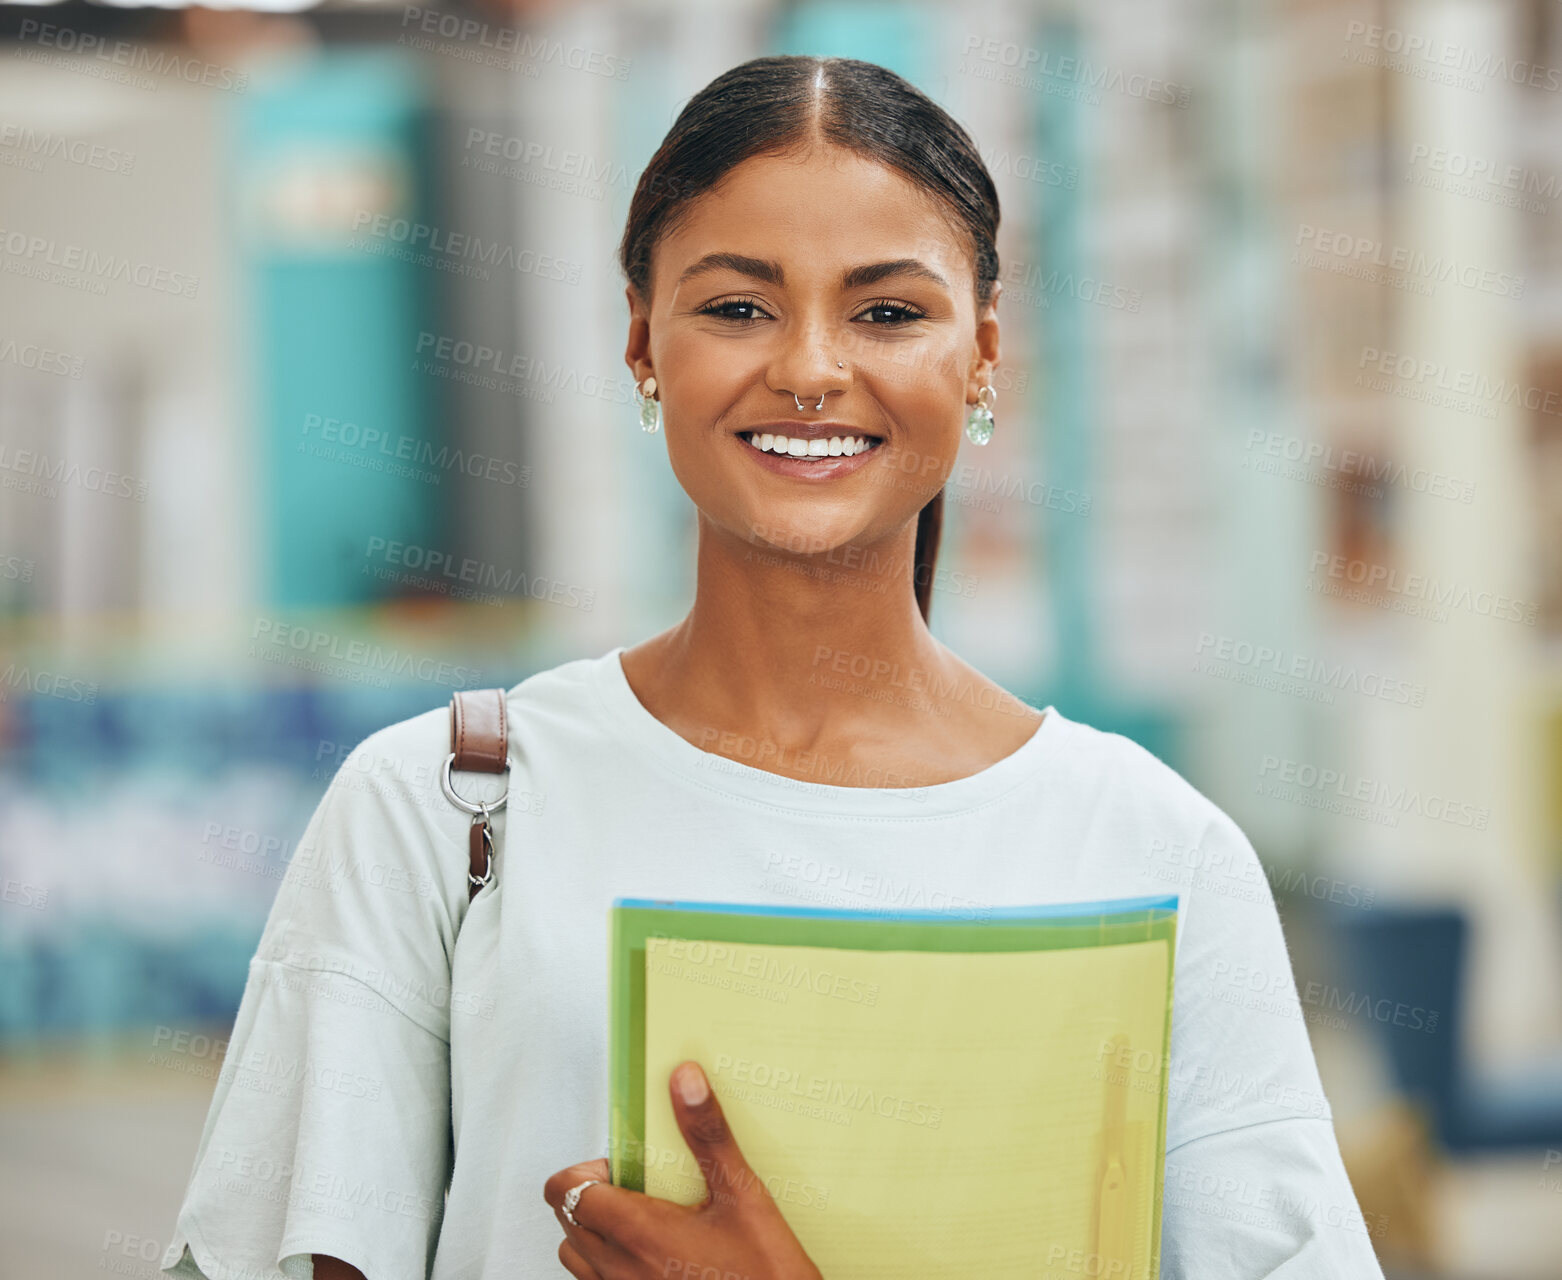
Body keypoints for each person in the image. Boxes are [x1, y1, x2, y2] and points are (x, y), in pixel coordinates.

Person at [160, 55, 1386, 1280]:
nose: (808, 367)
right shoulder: (443, 808)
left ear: (982, 354)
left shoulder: (1152, 853)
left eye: (888, 311)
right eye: (738, 306)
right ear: (643, 342)